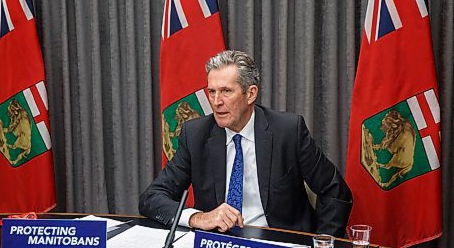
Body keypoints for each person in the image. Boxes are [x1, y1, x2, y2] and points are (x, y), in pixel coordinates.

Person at [139, 50, 352, 237]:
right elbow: (152, 198)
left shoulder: (288, 131)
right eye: (212, 92)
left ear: (250, 94)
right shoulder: (196, 135)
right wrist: (199, 218)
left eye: (226, 91)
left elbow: (335, 192)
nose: (216, 102)